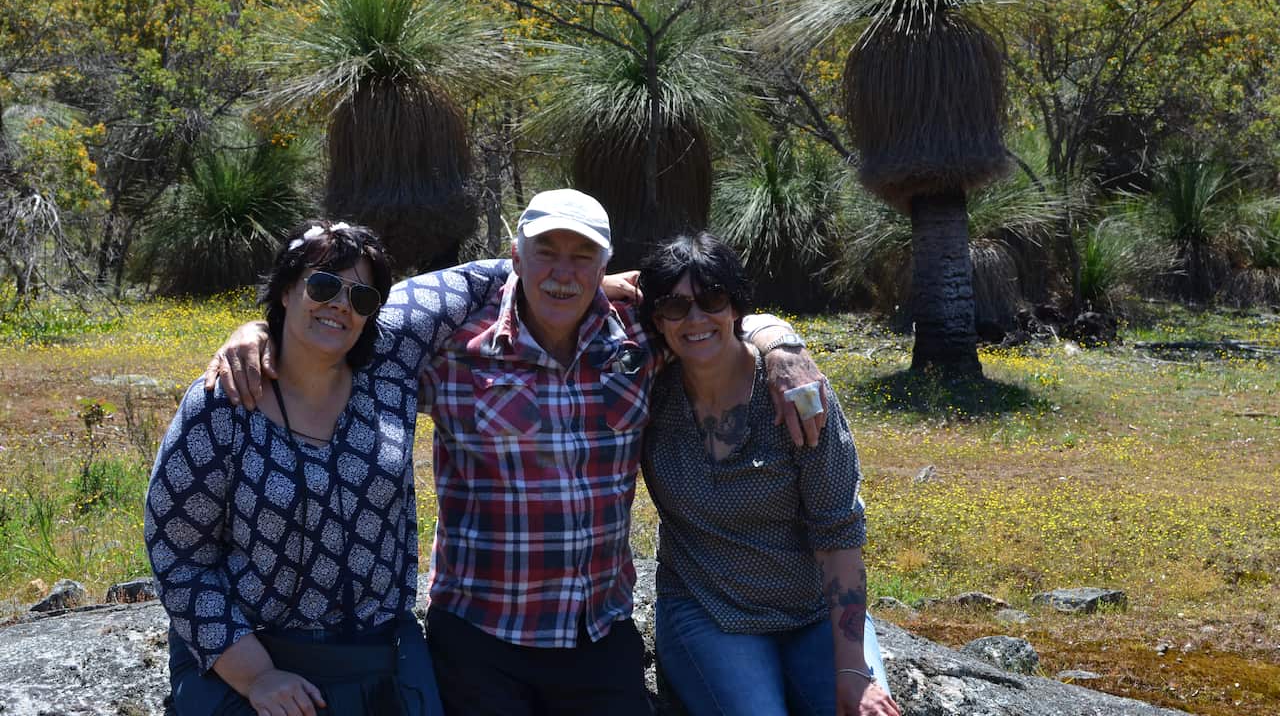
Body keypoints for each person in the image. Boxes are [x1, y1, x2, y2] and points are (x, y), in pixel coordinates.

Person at [206, 191, 828, 715]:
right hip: (481, 633)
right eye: (546, 254)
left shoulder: (638, 339)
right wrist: (256, 329)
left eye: (582, 258)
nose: (563, 273)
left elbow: (713, 324)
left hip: (597, 630)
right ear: (514, 258)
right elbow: (339, 318)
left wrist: (779, 341)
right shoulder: (450, 344)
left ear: (606, 267)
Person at [145, 220, 509, 716]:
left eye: (362, 298)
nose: (341, 303)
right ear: (287, 289)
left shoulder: (389, 364)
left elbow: (496, 276)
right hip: (251, 655)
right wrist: (258, 676)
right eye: (322, 285)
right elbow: (177, 554)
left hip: (377, 654)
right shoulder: (224, 402)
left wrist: (600, 283)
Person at [638, 231, 900, 716]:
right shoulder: (649, 393)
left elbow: (838, 529)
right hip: (707, 608)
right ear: (657, 320)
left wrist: (851, 673)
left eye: (712, 299)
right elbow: (562, 293)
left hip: (812, 610)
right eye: (675, 307)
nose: (695, 318)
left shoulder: (797, 393)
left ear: (736, 306)